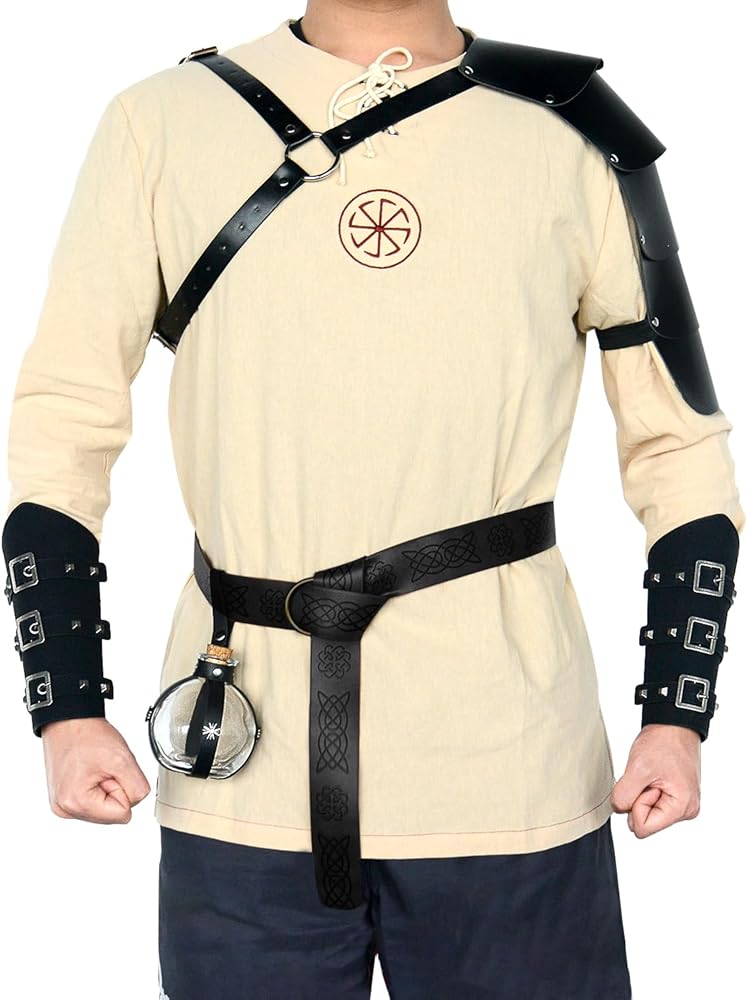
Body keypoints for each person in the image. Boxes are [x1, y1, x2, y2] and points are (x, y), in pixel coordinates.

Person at [2, 2, 742, 997]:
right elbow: (61, 426)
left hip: (510, 768)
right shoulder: (161, 121)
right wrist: (65, 706)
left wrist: (676, 713)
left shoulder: (571, 132)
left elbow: (678, 444)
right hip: (241, 770)